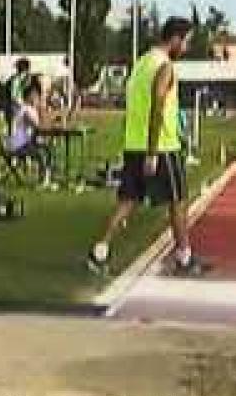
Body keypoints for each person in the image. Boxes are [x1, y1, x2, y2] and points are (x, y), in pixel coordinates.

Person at [85, 17, 210, 278]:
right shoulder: (164, 67)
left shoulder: (141, 63)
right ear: (174, 38)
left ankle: (99, 251)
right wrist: (153, 152)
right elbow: (157, 107)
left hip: (134, 143)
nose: (186, 48)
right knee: (177, 201)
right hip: (161, 147)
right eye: (186, 41)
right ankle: (184, 258)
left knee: (128, 201)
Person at [5, 76, 55, 189]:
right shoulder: (26, 109)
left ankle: (46, 177)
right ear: (29, 96)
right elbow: (37, 126)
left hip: (26, 142)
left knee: (47, 149)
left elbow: (41, 124)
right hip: (18, 144)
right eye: (35, 96)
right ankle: (43, 181)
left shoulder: (32, 109)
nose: (37, 98)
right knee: (41, 153)